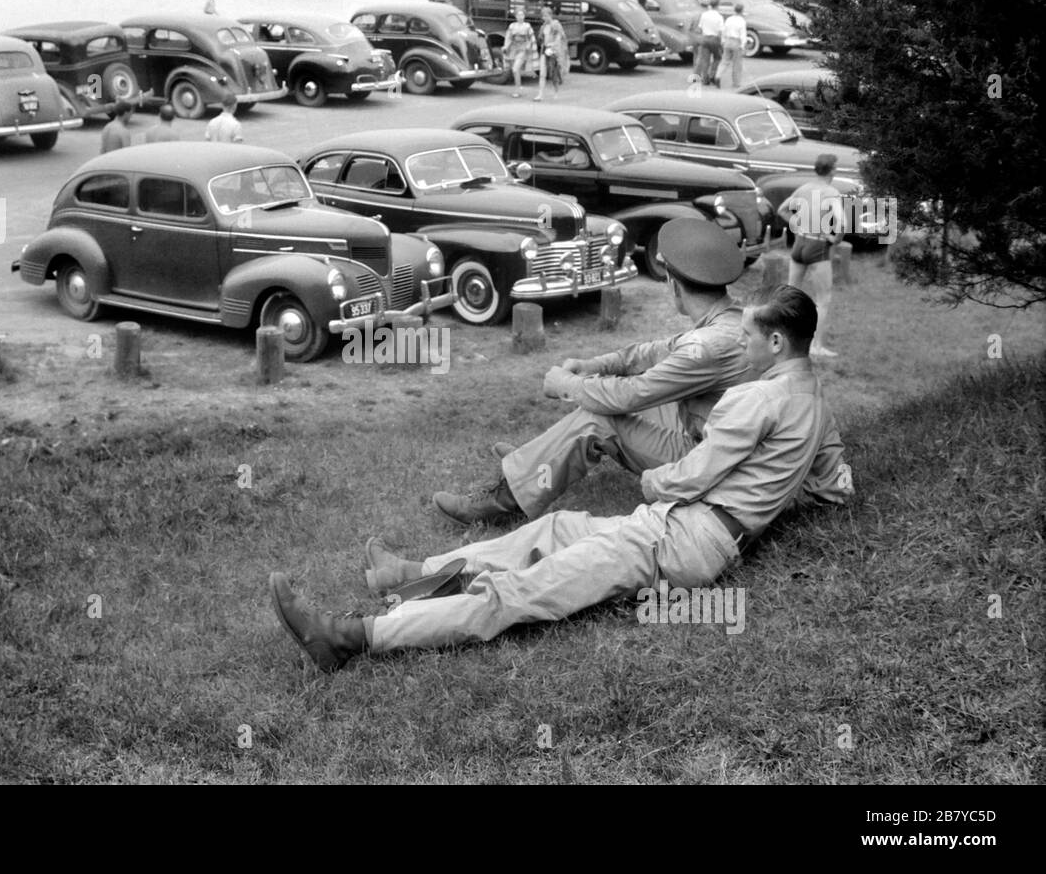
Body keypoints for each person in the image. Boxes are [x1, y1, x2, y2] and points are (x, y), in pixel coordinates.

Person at [271, 283, 854, 672]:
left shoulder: (755, 399)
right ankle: (415, 573)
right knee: (556, 529)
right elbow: (833, 486)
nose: (741, 346)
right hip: (697, 534)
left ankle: (352, 637)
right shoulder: (814, 401)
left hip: (684, 535)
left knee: (520, 593)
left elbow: (685, 479)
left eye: (749, 339)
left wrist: (653, 485)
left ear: (776, 342)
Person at [432, 218, 752, 526]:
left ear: (673, 283)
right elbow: (655, 352)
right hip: (721, 445)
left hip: (711, 464)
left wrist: (565, 384)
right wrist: (594, 367)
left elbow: (630, 396)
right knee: (619, 394)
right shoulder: (730, 320)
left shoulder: (709, 345)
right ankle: (538, 461)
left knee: (600, 418)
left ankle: (504, 501)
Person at [780, 154, 846, 358]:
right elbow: (842, 223)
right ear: (833, 170)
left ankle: (782, 340)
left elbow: (782, 210)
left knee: (789, 296)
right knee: (823, 299)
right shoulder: (831, 192)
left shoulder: (804, 188)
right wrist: (835, 239)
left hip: (799, 242)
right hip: (818, 245)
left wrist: (797, 224)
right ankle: (816, 347)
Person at [534, 5, 568, 100]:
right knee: (542, 73)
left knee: (554, 73)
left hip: (553, 51)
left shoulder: (556, 25)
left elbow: (560, 37)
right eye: (543, 16)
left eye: (546, 16)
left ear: (550, 15)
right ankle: (540, 94)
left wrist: (553, 46)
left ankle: (556, 92)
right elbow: (541, 39)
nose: (544, 18)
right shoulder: (543, 27)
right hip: (544, 51)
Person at [503, 7, 537, 99]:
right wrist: (506, 46)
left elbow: (531, 38)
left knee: (515, 69)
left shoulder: (527, 26)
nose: (520, 16)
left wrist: (528, 46)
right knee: (514, 70)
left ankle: (517, 90)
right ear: (515, 16)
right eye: (518, 15)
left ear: (524, 16)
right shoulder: (512, 26)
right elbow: (508, 37)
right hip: (513, 49)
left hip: (523, 49)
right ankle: (518, 86)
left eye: (522, 14)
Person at [694, 0, 724, 86]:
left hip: (705, 38)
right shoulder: (719, 17)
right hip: (715, 39)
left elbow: (700, 28)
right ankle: (712, 74)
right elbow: (720, 31)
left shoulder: (704, 15)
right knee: (717, 58)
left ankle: (704, 79)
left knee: (705, 60)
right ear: (717, 6)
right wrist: (721, 42)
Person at [716, 3, 747, 88]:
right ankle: (736, 82)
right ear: (742, 11)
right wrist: (743, 45)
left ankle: (718, 76)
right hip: (736, 42)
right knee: (737, 64)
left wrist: (723, 41)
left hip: (728, 41)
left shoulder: (729, 19)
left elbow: (724, 31)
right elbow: (743, 34)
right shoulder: (742, 21)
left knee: (724, 61)